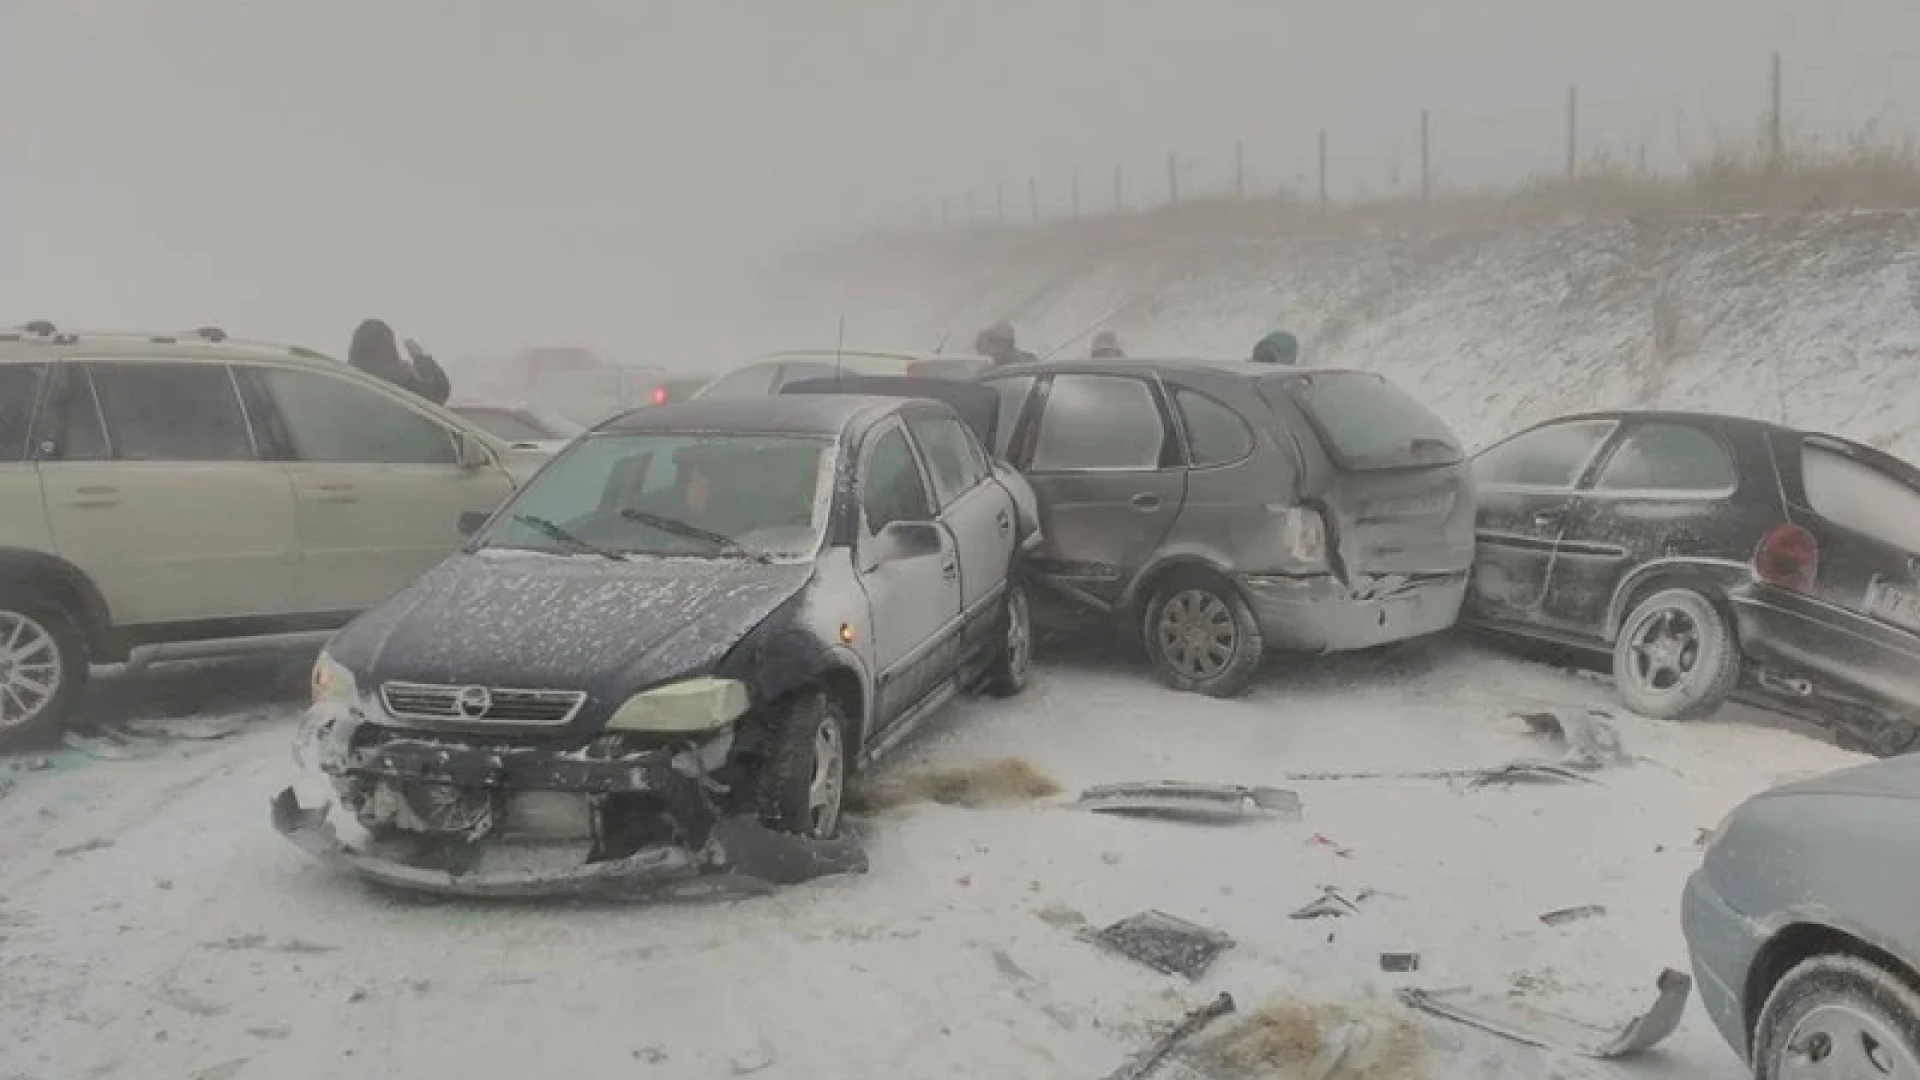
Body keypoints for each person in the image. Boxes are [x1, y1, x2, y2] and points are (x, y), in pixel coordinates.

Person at [348, 318, 452, 404]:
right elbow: (438, 392)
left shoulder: (347, 381)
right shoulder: (400, 383)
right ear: (389, 346)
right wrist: (419, 357)